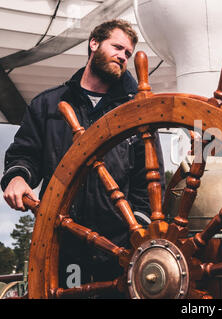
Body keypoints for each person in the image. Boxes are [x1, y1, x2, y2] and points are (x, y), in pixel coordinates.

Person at [1, 19, 165, 291]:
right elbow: (24, 153)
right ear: (94, 43)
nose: (123, 56)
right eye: (118, 47)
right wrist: (18, 177)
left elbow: (148, 182)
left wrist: (136, 232)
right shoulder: (47, 105)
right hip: (61, 245)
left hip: (118, 251)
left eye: (128, 53)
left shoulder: (135, 112)